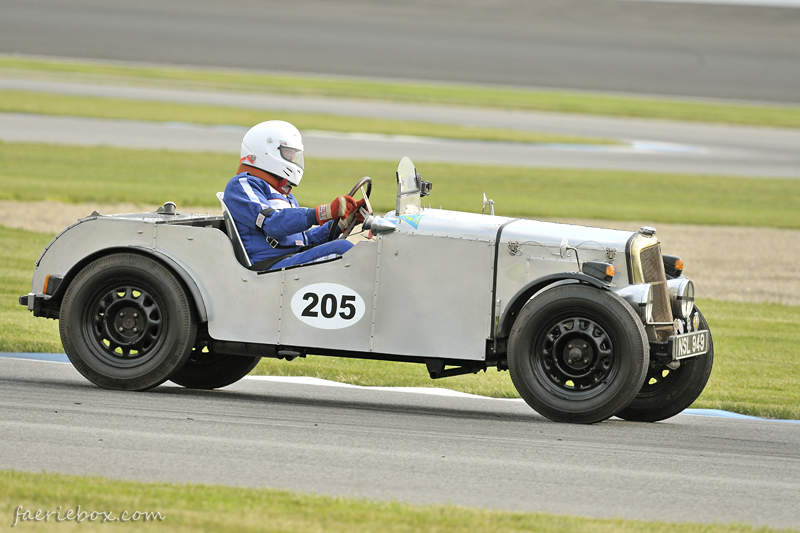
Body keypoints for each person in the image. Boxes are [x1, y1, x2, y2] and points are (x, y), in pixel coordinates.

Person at [223, 120, 363, 270]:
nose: (292, 161)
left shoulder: (284, 194)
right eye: (288, 156)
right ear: (265, 151)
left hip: (289, 261)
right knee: (342, 249)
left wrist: (342, 224)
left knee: (364, 251)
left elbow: (304, 241)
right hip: (268, 266)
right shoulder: (242, 185)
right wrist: (323, 212)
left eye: (293, 157)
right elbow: (272, 224)